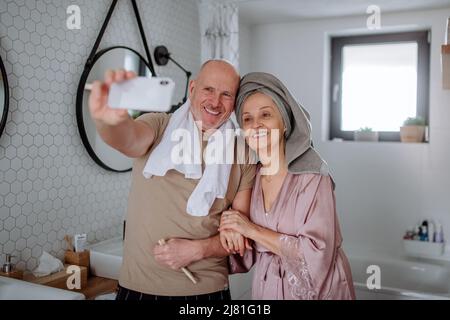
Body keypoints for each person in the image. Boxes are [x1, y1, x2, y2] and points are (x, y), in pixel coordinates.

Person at [88, 60, 256, 300]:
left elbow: (240, 234)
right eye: (209, 89)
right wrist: (109, 121)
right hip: (138, 288)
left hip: (207, 291)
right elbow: (128, 139)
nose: (216, 102)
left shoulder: (244, 154)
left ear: (234, 103)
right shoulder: (159, 126)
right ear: (192, 89)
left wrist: (197, 250)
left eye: (226, 94)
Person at [218, 72, 356, 300]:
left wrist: (251, 229)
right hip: (267, 288)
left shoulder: (312, 176)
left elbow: (316, 252)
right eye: (247, 119)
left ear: (283, 122)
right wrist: (230, 228)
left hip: (320, 291)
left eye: (266, 115)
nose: (256, 125)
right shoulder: (251, 176)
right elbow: (245, 249)